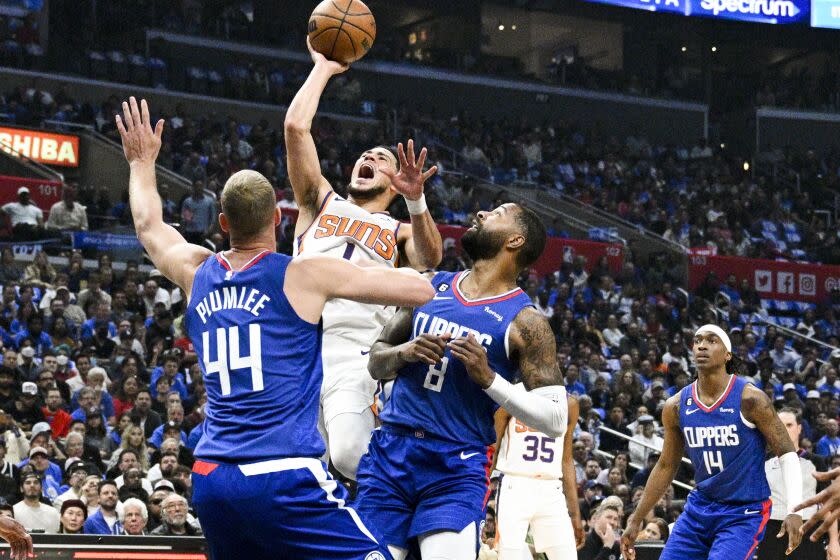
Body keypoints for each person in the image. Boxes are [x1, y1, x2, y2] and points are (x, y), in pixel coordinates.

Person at [116, 96, 433, 558]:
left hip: (211, 477)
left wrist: (141, 162)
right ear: (280, 218)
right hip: (281, 473)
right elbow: (420, 289)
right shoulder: (299, 274)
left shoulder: (196, 271)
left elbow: (148, 225)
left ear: (222, 223)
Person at [358, 203, 568, 559]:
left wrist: (490, 380)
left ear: (514, 240)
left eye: (496, 213)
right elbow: (376, 362)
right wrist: (404, 352)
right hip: (391, 454)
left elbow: (555, 419)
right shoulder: (427, 287)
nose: (481, 214)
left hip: (454, 466)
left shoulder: (526, 322)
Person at [285, 39, 442, 481]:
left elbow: (430, 260)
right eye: (365, 155)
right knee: (300, 471)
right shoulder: (319, 201)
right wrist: (323, 69)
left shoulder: (401, 229)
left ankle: (395, 532)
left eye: (381, 158)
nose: (369, 157)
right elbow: (296, 127)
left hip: (355, 350)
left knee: (352, 454)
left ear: (395, 181)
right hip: (297, 345)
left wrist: (417, 202)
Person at [622, 325, 804, 560]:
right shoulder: (676, 406)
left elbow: (787, 453)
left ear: (727, 354)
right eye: (697, 340)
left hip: (743, 512)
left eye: (711, 340)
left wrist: (794, 510)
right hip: (699, 508)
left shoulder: (751, 399)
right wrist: (636, 519)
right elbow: (666, 465)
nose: (702, 345)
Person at [492, 383, 584, 559]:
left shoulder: (569, 403)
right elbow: (492, 450)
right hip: (514, 485)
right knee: (508, 555)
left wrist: (575, 513)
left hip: (551, 488)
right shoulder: (509, 394)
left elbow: (566, 460)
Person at [758, 407, 839, 559]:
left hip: (807, 530)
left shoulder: (817, 461)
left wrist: (834, 541)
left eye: (789, 425)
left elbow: (829, 504)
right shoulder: (763, 462)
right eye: (780, 425)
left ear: (799, 428)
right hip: (772, 531)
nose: (784, 429)